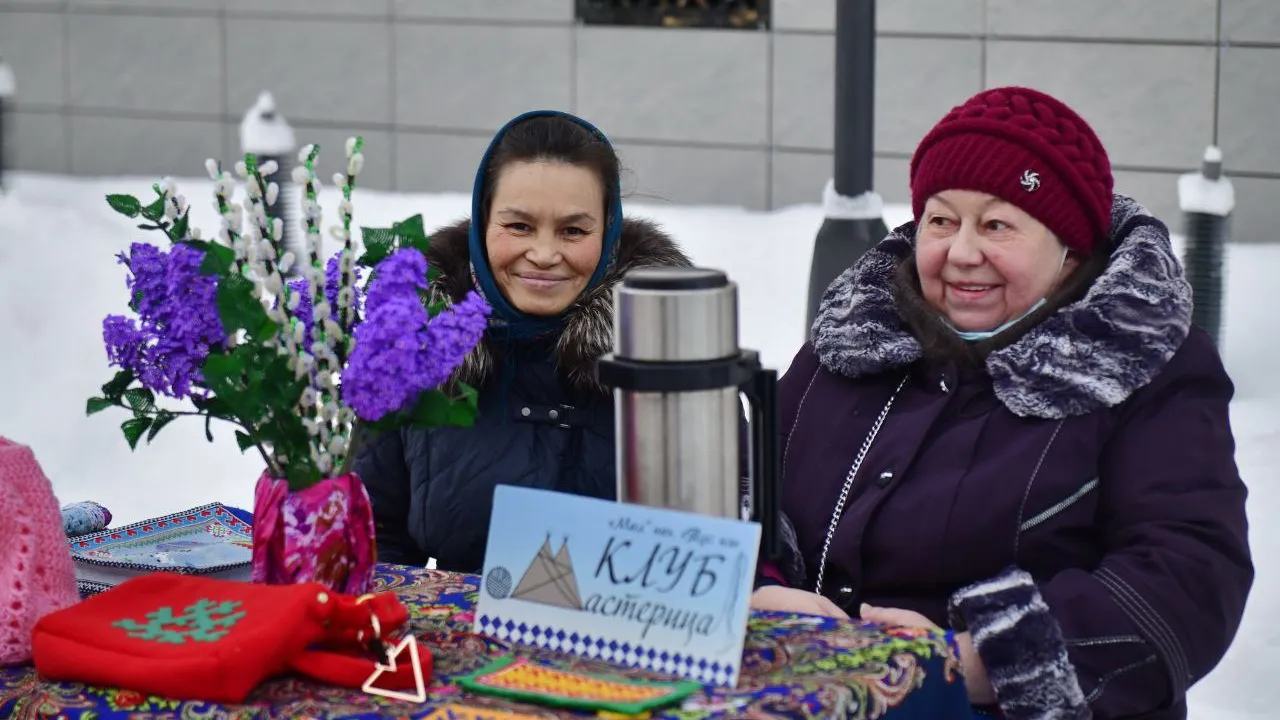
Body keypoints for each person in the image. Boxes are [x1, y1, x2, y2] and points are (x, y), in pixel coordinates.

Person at [751, 87, 1252, 720]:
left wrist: (973, 662)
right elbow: (746, 492)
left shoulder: (1143, 364)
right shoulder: (857, 337)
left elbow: (1191, 574)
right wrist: (758, 591)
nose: (962, 252)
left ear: (1070, 249)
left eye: (997, 225)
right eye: (941, 220)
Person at [354, 111, 690, 573]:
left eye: (573, 231)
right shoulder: (415, 345)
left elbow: (730, 527)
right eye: (519, 227)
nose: (545, 254)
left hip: (632, 635)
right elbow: (374, 538)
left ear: (608, 232)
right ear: (483, 222)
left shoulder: (666, 343)